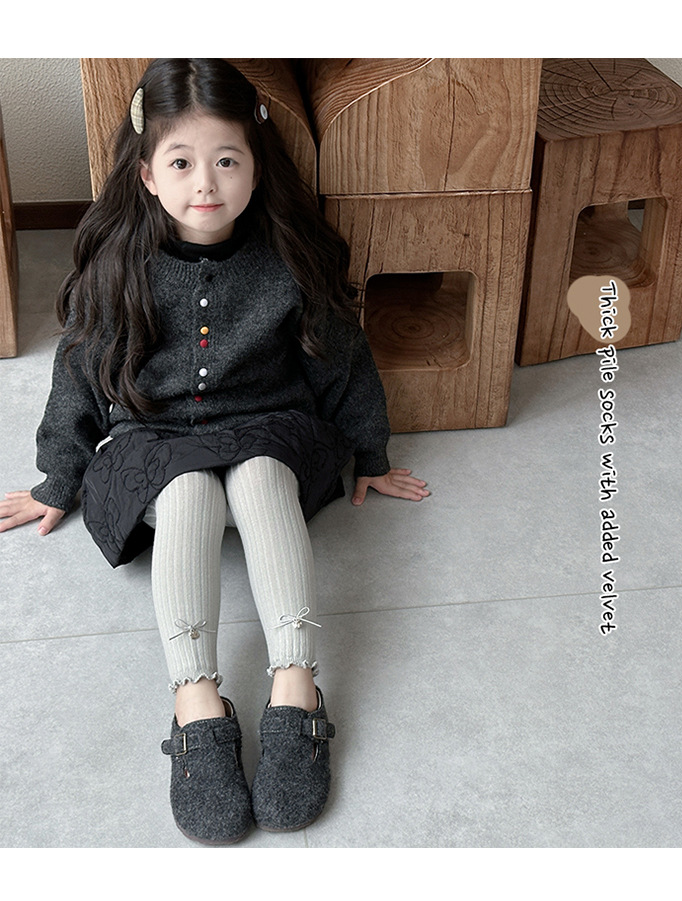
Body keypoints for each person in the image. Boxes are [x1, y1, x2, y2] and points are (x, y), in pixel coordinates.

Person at [0, 58, 428, 844]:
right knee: (189, 489)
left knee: (260, 478)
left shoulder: (286, 257)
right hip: (154, 440)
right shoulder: (118, 263)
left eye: (227, 160)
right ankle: (195, 698)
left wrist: (370, 454)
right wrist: (58, 479)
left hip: (271, 428)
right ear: (147, 175)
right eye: (182, 163)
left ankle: (296, 683)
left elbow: (343, 360)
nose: (206, 183)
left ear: (257, 166)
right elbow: (79, 374)